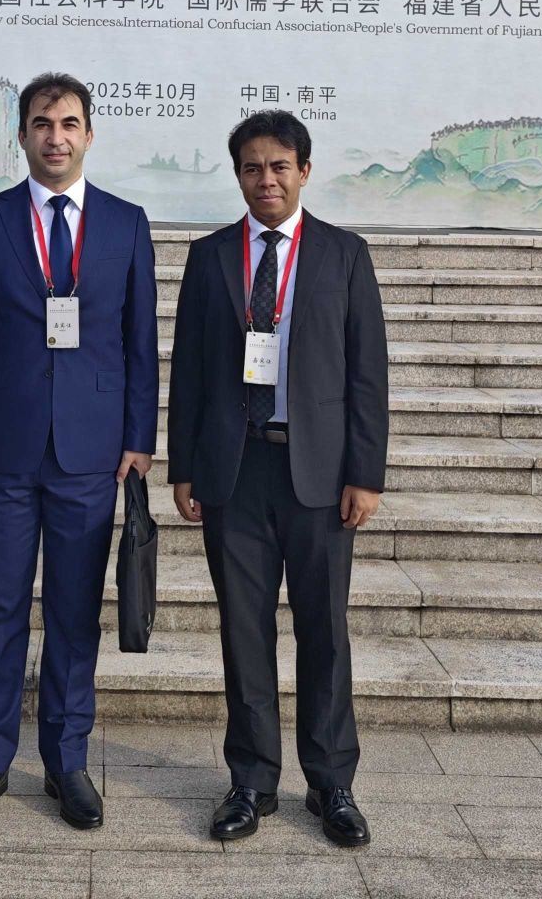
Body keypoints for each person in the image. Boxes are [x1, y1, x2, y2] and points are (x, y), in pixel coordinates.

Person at [0, 73, 159, 831]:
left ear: (89, 134)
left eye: (68, 124)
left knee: (74, 612)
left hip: (92, 454)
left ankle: (67, 760)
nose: (55, 137)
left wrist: (138, 439)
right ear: (22, 136)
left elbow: (140, 341)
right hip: (2, 449)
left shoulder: (126, 224)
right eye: (41, 123)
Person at [166, 110, 389, 848]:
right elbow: (190, 368)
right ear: (238, 175)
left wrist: (365, 473)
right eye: (253, 167)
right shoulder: (209, 257)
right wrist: (185, 466)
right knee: (244, 632)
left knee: (325, 631)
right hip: (235, 470)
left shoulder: (344, 255)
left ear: (304, 171)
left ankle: (332, 783)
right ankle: (252, 781)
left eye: (280, 166)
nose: (267, 179)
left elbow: (367, 372)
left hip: (319, 473)